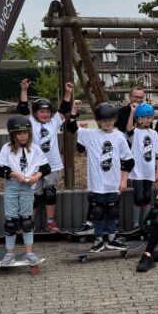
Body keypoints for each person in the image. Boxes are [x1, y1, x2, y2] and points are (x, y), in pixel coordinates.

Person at [65, 103, 134, 251]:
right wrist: (74, 109)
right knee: (97, 212)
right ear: (98, 121)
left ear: (115, 119)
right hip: (97, 184)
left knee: (113, 212)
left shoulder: (119, 137)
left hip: (113, 183)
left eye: (110, 120)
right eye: (104, 120)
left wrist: (123, 180)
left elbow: (129, 161)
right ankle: (98, 240)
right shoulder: (91, 135)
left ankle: (112, 239)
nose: (107, 123)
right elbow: (71, 127)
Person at [16, 78, 75, 233]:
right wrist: (24, 90)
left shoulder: (54, 122)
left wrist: (68, 92)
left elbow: (64, 108)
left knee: (49, 193)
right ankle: (29, 223)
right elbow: (23, 109)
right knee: (33, 195)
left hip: (52, 165)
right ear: (35, 113)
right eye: (41, 111)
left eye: (48, 112)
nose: (45, 114)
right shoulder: (31, 123)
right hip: (34, 166)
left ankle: (50, 222)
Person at [0, 116, 50, 265]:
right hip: (12, 186)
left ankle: (29, 253)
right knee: (11, 222)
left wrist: (36, 176)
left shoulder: (35, 149)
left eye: (25, 132)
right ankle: (9, 254)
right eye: (19, 133)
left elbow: (46, 167)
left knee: (27, 221)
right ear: (13, 135)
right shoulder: (6, 148)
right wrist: (15, 175)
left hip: (28, 187)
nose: (23, 136)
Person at [128, 103, 158, 231]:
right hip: (137, 170)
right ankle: (135, 224)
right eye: (147, 117)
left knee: (147, 197)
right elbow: (128, 129)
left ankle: (146, 224)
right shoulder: (134, 133)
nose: (149, 120)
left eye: (151, 117)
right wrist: (132, 112)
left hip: (149, 171)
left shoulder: (154, 133)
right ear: (139, 118)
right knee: (138, 197)